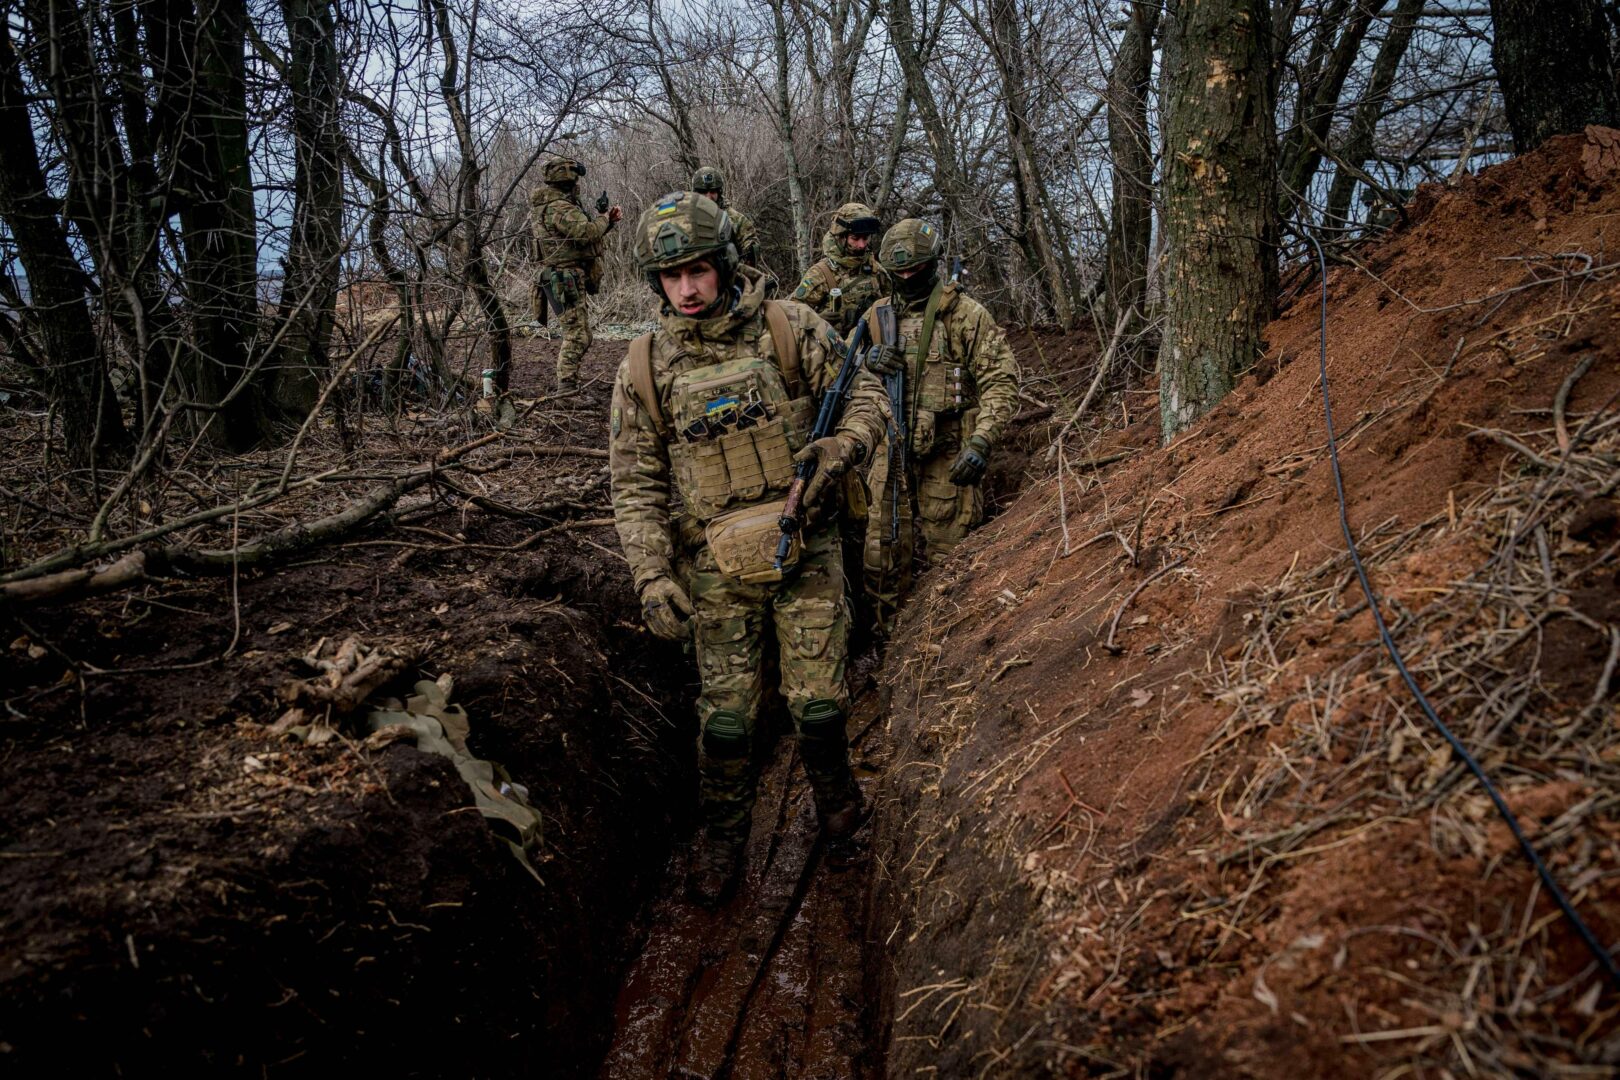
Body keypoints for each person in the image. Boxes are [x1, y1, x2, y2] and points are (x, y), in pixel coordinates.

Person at [608, 191, 888, 905]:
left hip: (807, 548)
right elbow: (635, 485)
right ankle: (723, 838)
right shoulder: (644, 367)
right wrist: (651, 577)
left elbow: (866, 398)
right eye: (671, 276)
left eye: (698, 270)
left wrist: (844, 446)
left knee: (818, 707)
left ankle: (840, 811)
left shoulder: (790, 327)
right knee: (727, 724)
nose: (687, 288)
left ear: (725, 264)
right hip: (715, 569)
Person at [859, 219, 1021, 627]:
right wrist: (866, 360)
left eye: (915, 270)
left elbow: (1001, 381)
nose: (907, 279)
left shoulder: (964, 314)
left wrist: (981, 442)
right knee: (881, 555)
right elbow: (836, 377)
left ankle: (944, 636)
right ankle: (887, 639)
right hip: (888, 455)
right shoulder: (875, 317)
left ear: (933, 264)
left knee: (952, 558)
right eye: (899, 272)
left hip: (947, 454)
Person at [531, 156, 623, 392]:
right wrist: (603, 218)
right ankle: (566, 390)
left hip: (565, 277)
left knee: (583, 334)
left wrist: (607, 222)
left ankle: (569, 385)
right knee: (577, 335)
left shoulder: (553, 206)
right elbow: (587, 233)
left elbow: (580, 239)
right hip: (564, 278)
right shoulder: (559, 208)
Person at [790, 203, 883, 336]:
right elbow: (791, 314)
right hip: (833, 345)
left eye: (865, 238)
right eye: (855, 238)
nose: (862, 245)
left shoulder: (874, 268)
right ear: (841, 237)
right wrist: (816, 320)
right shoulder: (821, 273)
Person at [690, 166, 759, 267]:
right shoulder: (687, 218)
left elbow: (751, 243)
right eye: (703, 192)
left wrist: (744, 265)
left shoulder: (735, 219)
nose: (708, 197)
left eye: (712, 191)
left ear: (719, 192)